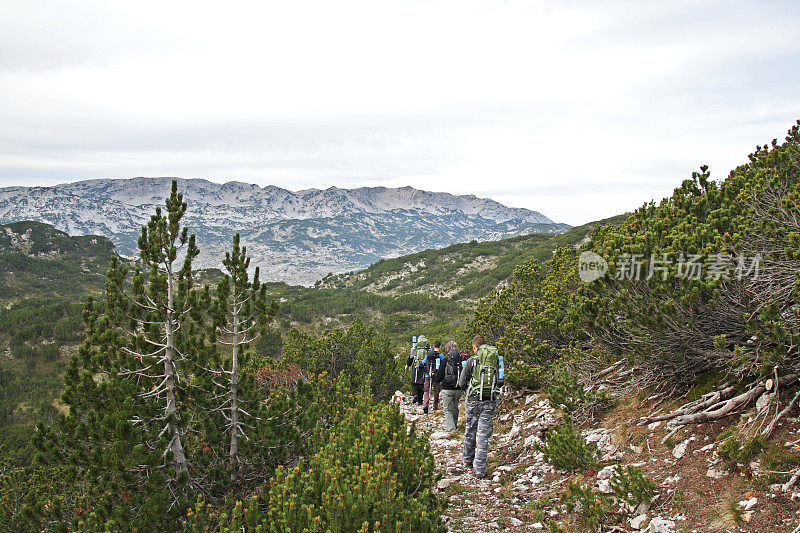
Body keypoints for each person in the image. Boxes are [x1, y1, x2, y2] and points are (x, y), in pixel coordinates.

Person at [459, 335, 500, 479]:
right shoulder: (495, 361)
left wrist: (469, 390)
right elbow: (500, 381)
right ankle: (480, 469)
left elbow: (461, 382)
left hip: (473, 400)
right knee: (483, 435)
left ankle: (468, 459)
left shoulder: (471, 361)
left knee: (470, 429)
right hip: (489, 400)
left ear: (475, 347)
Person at [433, 340, 464, 431]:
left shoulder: (445, 361)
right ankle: (454, 425)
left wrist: (434, 376)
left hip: (447, 388)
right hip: (458, 388)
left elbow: (439, 377)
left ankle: (451, 429)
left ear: (447, 350)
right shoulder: (461, 360)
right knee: (455, 407)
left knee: (447, 409)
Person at [406, 335, 430, 405]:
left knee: (414, 382)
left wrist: (407, 365)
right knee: (422, 383)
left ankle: (415, 394)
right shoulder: (428, 348)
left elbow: (411, 358)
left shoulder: (414, 348)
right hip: (425, 367)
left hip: (416, 367)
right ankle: (420, 400)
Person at [422, 341, 444, 414]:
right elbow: (443, 364)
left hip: (427, 374)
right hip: (436, 375)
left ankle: (425, 405)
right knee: (436, 390)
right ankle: (435, 406)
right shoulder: (440, 355)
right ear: (440, 346)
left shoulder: (428, 354)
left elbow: (423, 362)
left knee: (426, 390)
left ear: (433, 346)